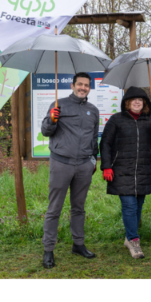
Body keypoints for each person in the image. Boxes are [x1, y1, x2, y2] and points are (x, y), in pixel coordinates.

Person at [41, 72, 99, 269]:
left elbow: (93, 138)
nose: (83, 88)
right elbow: (45, 131)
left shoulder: (93, 110)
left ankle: (78, 244)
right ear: (73, 85)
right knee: (54, 208)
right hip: (61, 163)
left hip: (84, 165)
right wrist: (52, 119)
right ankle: (48, 249)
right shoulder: (59, 105)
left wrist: (94, 160)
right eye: (80, 84)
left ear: (89, 88)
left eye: (86, 85)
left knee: (78, 208)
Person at [100, 87, 151, 259]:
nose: (137, 102)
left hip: (143, 170)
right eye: (134, 99)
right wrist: (106, 166)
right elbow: (105, 143)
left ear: (145, 103)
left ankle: (129, 237)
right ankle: (134, 241)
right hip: (121, 170)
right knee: (129, 206)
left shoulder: (149, 120)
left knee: (138, 207)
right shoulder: (116, 120)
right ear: (127, 102)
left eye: (141, 100)